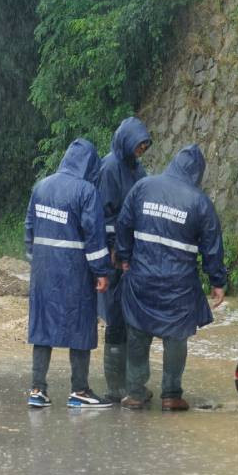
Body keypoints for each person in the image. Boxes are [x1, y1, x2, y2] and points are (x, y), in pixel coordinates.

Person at [115, 144, 227, 411]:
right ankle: (171, 395)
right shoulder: (200, 202)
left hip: (142, 278)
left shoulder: (144, 187)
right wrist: (217, 282)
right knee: (176, 338)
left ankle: (135, 393)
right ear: (197, 172)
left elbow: (123, 224)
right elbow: (212, 246)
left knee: (138, 335)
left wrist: (125, 257)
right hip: (178, 286)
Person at [24, 138, 114, 409]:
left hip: (42, 270)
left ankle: (37, 389)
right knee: (81, 326)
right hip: (74, 270)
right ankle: (80, 390)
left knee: (42, 327)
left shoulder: (41, 186)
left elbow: (29, 227)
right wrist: (101, 271)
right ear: (90, 164)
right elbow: (94, 236)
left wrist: (35, 259)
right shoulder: (86, 191)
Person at [95, 117, 152, 400]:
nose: (141, 151)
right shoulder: (109, 168)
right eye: (139, 146)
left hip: (133, 252)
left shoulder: (137, 169)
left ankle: (133, 385)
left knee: (135, 319)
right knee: (116, 319)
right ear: (127, 142)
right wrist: (114, 247)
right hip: (114, 255)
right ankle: (114, 387)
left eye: (144, 147)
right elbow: (104, 214)